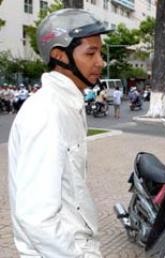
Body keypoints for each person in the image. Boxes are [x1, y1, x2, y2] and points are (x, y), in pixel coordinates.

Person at [8, 8, 113, 257]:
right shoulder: (47, 112)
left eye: (100, 52)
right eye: (91, 53)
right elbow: (35, 216)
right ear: (60, 56)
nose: (101, 62)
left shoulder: (67, 104)